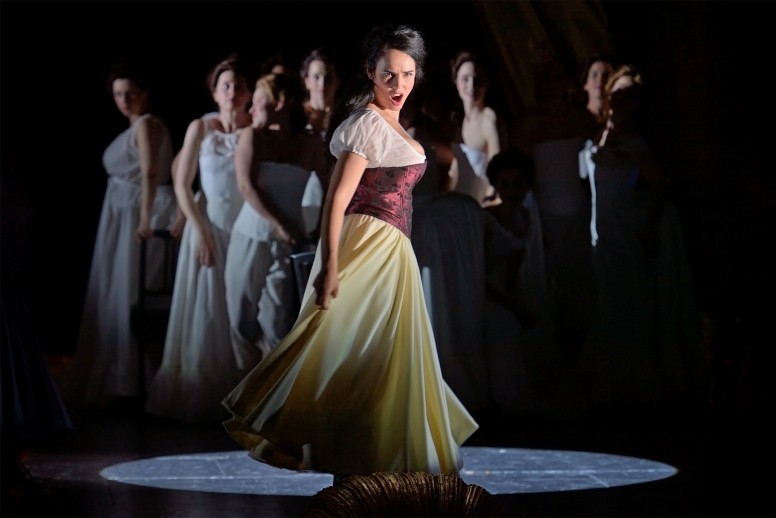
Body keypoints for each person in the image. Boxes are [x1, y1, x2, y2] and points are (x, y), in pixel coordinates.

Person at [222, 24, 478, 481]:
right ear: (370, 73)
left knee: (387, 360)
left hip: (395, 255)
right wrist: (331, 268)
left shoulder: (397, 128)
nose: (398, 85)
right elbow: (337, 199)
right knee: (352, 353)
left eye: (407, 74)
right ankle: (347, 464)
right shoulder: (365, 124)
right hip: (365, 250)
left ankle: (375, 464)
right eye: (389, 74)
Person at [578, 64, 709, 411]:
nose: (623, 100)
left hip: (622, 228)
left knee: (626, 307)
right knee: (610, 305)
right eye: (618, 92)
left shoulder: (629, 137)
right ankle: (617, 388)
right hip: (602, 226)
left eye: (630, 95)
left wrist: (649, 228)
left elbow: (658, 184)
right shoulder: (603, 131)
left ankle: (637, 389)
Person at [58, 58, 178, 406]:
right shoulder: (138, 124)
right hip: (124, 208)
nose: (123, 100)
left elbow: (150, 172)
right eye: (118, 94)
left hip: (141, 207)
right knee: (116, 288)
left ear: (144, 94)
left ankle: (130, 376)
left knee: (128, 290)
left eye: (130, 93)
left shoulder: (146, 124)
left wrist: (144, 215)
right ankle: (120, 376)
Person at [145, 54, 254, 423]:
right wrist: (200, 231)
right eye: (226, 85)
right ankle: (206, 393)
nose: (233, 91)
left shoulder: (255, 128)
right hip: (207, 225)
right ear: (214, 92)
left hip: (242, 227)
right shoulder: (201, 128)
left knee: (239, 308)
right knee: (208, 309)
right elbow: (181, 181)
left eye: (239, 85)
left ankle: (245, 396)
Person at [225, 72, 326, 365]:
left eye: (257, 101)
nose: (251, 108)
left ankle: (268, 397)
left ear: (279, 103)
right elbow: (247, 186)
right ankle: (245, 383)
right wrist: (280, 223)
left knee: (278, 323)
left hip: (287, 243)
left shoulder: (307, 142)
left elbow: (329, 185)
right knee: (240, 318)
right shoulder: (252, 136)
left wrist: (319, 227)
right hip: (250, 236)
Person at [446, 50, 505, 206]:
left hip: (479, 205)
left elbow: (498, 167)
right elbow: (455, 172)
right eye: (466, 79)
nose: (471, 85)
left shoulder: (488, 118)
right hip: (460, 205)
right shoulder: (461, 123)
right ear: (456, 82)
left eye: (478, 80)